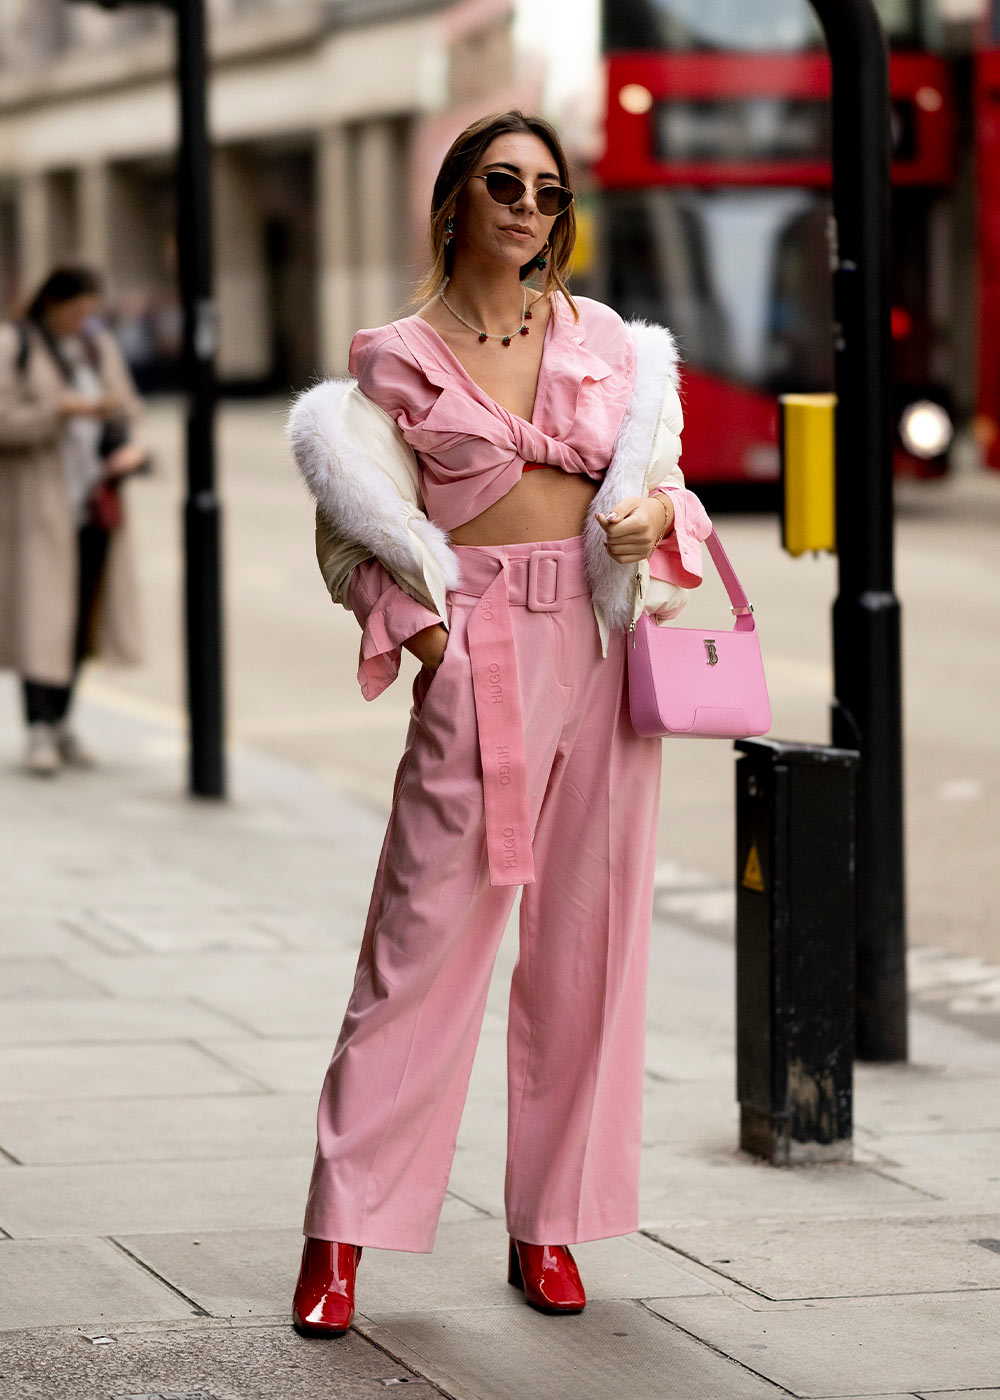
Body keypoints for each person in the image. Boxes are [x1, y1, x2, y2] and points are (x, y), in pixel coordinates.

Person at [286, 110, 712, 1335]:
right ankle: (339, 1235)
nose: (526, 206)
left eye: (546, 190)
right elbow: (349, 529)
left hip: (597, 639)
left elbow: (668, 493)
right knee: (416, 951)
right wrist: (432, 642)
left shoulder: (615, 347)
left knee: (589, 946)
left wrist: (645, 527)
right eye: (502, 183)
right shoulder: (395, 358)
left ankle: (549, 1226)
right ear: (455, 203)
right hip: (478, 652)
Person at [0, 265, 149, 774]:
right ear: (50, 304)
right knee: (44, 618)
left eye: (92, 311)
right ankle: (39, 728)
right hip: (39, 508)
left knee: (82, 618)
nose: (85, 320)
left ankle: (63, 721)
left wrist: (131, 448)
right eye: (76, 310)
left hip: (96, 504)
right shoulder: (14, 345)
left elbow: (129, 410)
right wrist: (57, 413)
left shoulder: (97, 347)